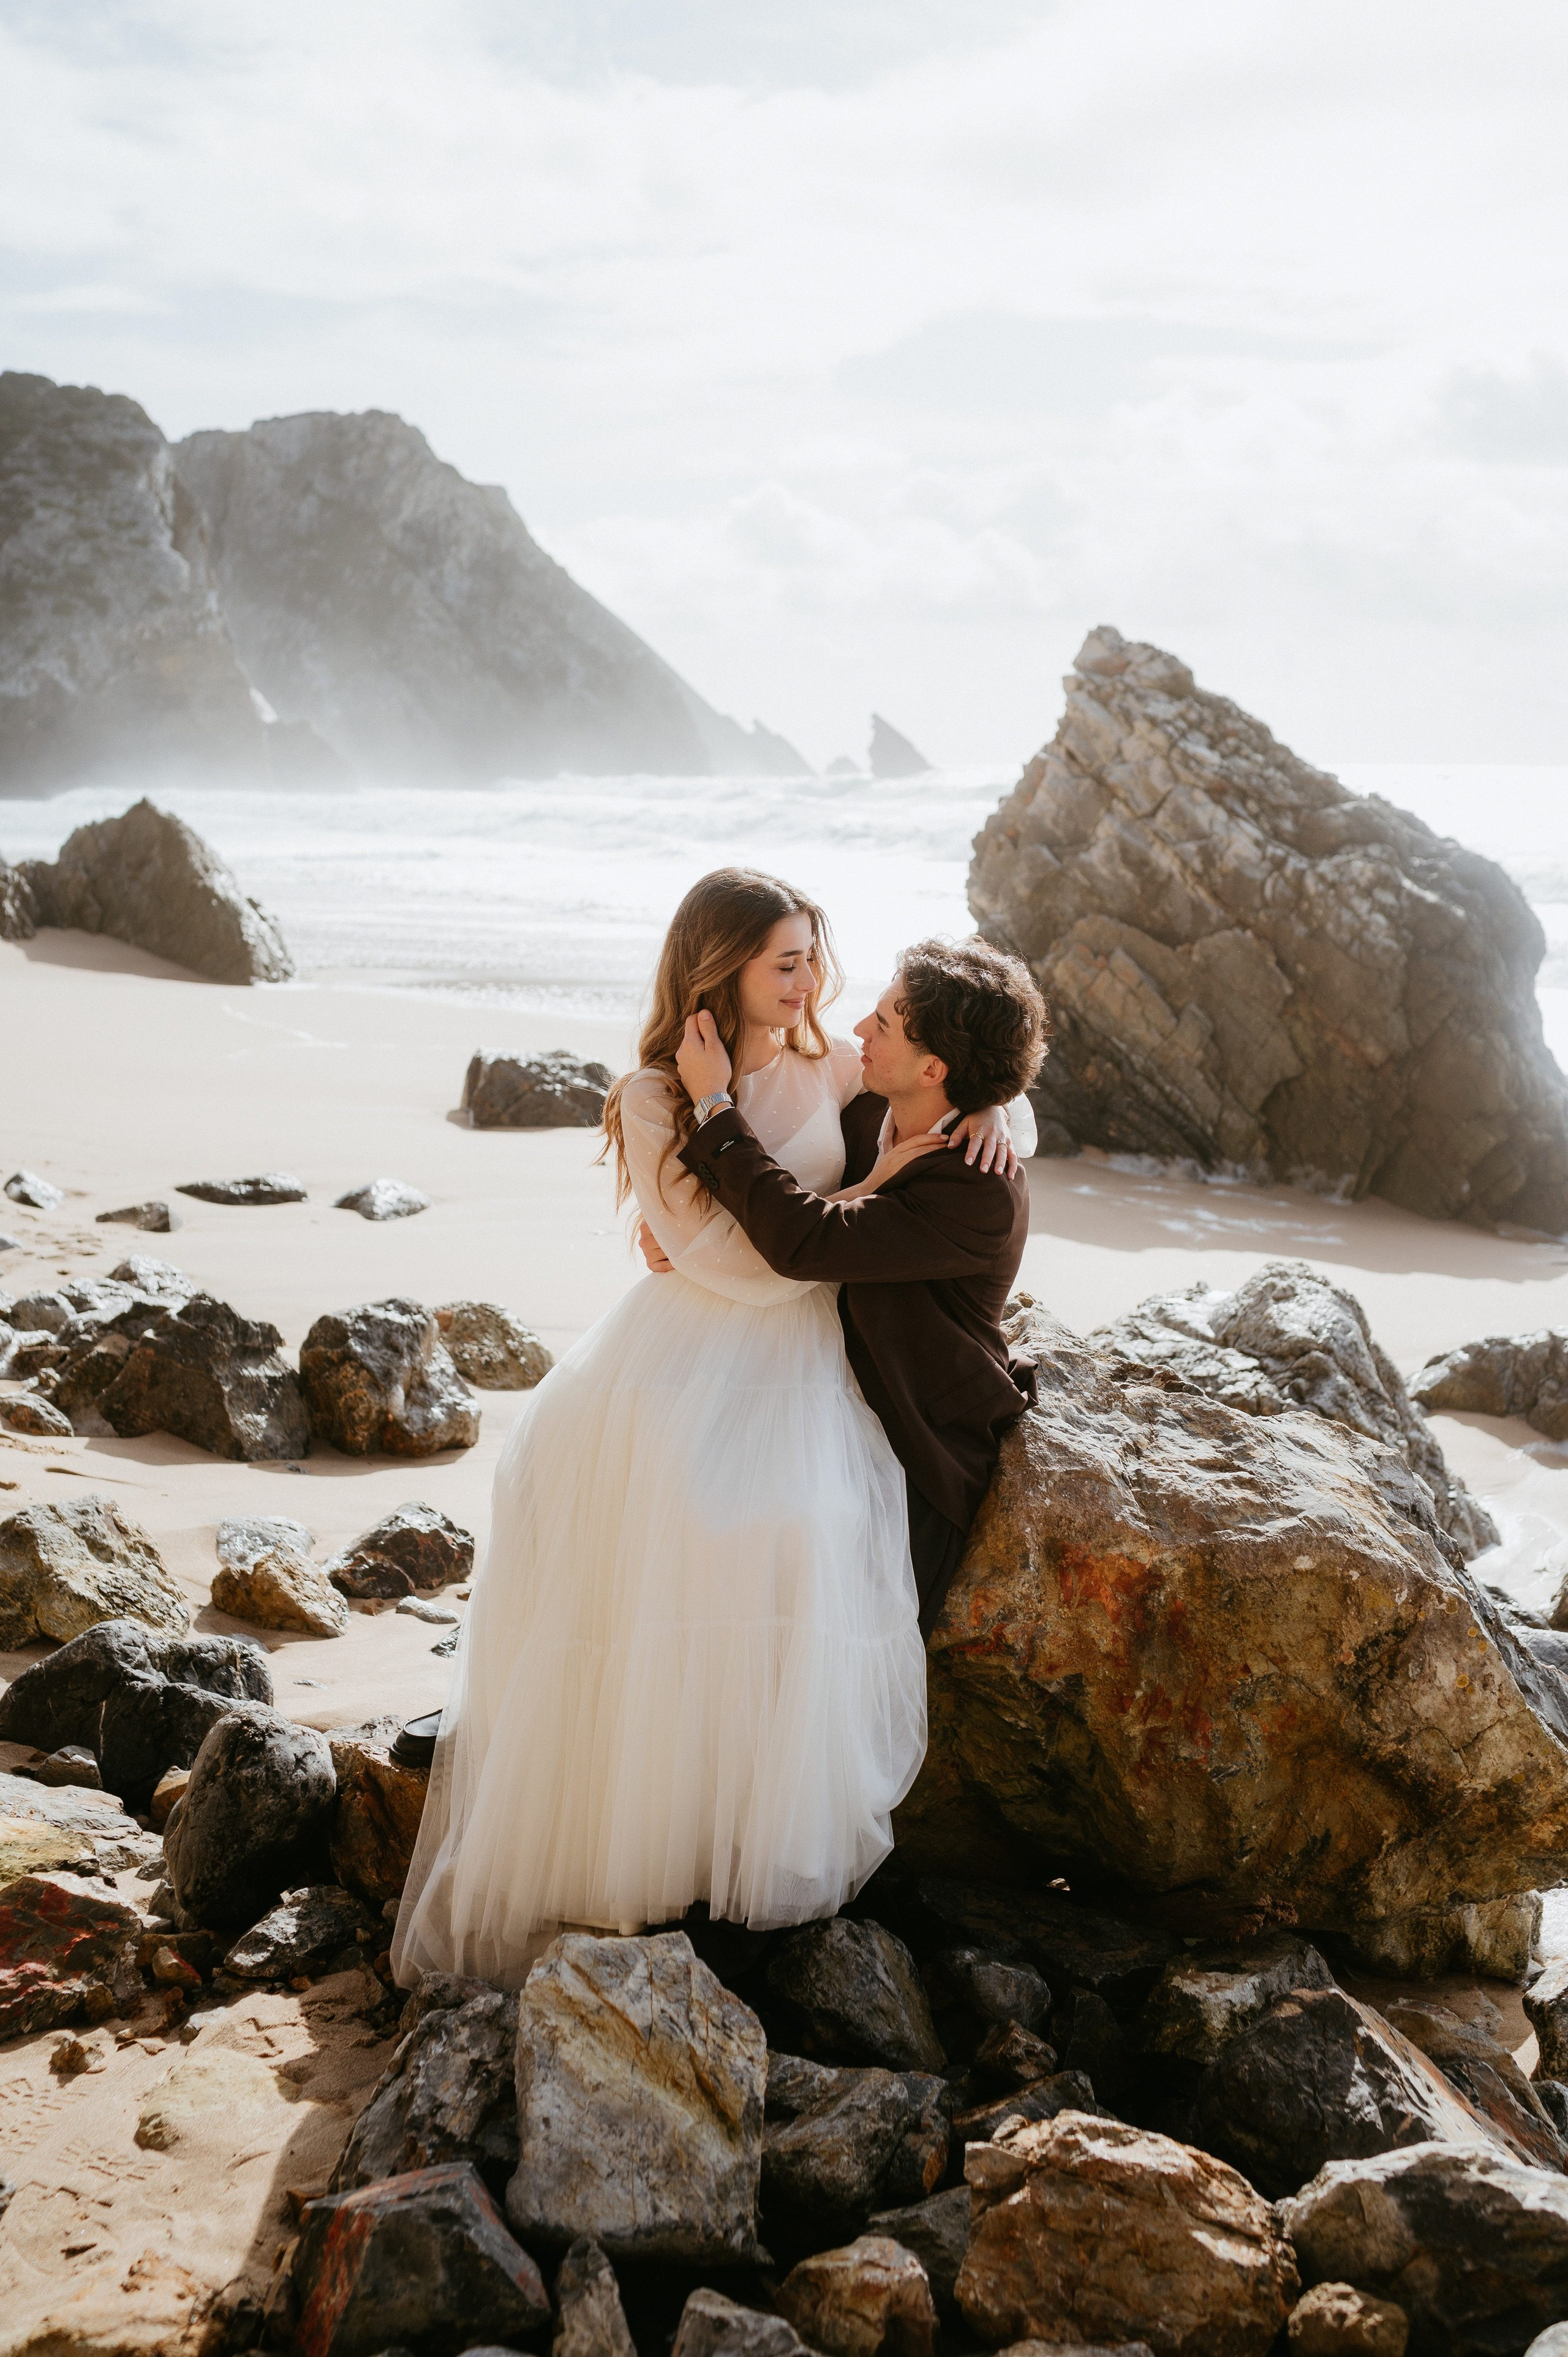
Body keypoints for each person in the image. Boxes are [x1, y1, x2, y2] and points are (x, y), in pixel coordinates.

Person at [391, 867, 1031, 1987]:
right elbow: (724, 1258)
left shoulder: (832, 1061)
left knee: (796, 1555)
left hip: (808, 1354)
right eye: (787, 959)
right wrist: (833, 1223)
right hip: (692, 1350)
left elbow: (965, 1076)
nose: (813, 980)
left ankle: (746, 1847)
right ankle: (634, 1837)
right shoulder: (656, 1095)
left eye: (814, 955)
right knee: (661, 1558)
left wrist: (985, 1114)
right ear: (720, 965)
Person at [670, 935, 1049, 1637]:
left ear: (933, 1067)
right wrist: (691, 1240)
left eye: (883, 1023)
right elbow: (781, 1188)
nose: (858, 1030)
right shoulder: (872, 1110)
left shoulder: (977, 1189)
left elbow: (803, 1237)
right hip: (812, 1381)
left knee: (787, 1587)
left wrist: (714, 1104)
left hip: (908, 1438)